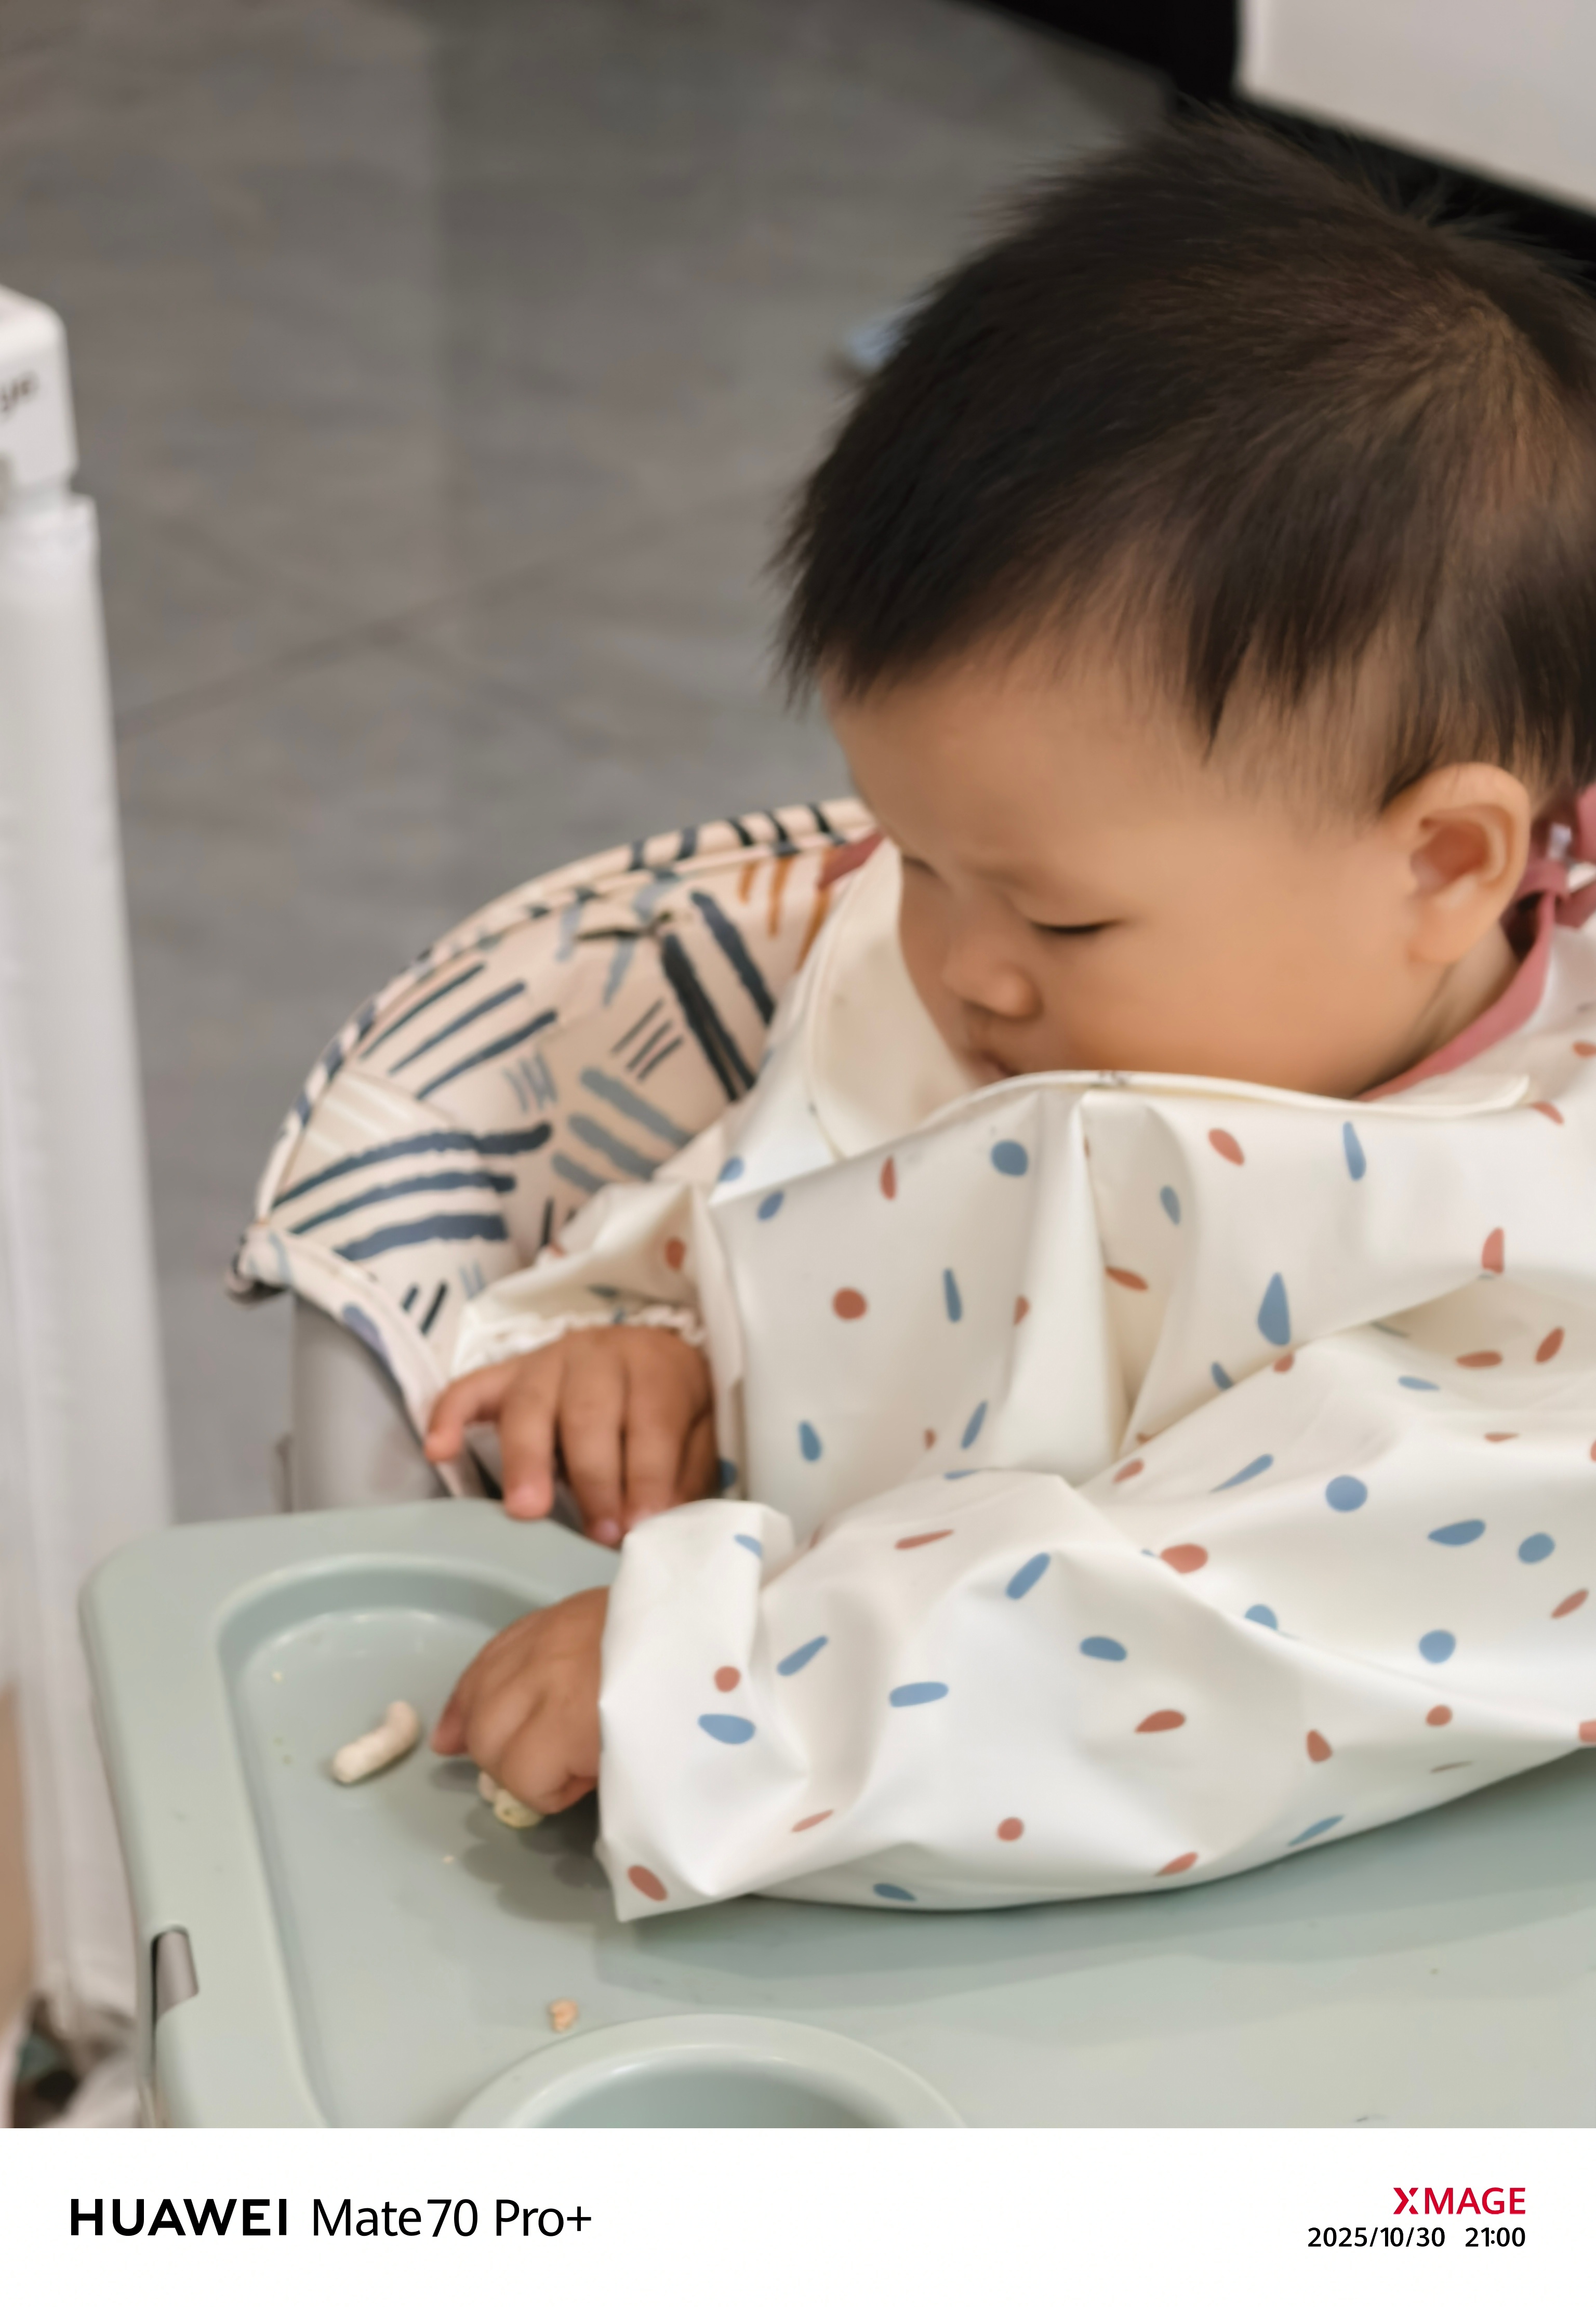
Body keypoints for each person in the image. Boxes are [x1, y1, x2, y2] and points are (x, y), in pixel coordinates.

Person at [424, 118, 1596, 1917]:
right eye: (910, 854)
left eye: (1056, 911)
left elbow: (1204, 1645)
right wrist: (649, 1330)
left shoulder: (1525, 1256)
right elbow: (808, 1168)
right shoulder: (1006, 943)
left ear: (1445, 860)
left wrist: (721, 1697)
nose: (957, 965)